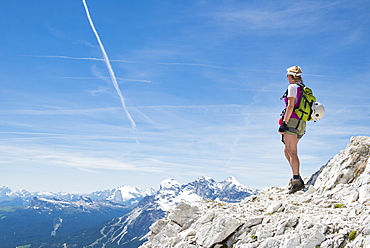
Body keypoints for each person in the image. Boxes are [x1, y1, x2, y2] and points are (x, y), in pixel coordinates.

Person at [278, 66, 306, 194]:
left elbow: (290, 106)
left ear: (290, 76)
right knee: (287, 151)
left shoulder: (292, 88)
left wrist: (284, 122)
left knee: (292, 152)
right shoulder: (304, 88)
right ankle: (297, 176)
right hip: (302, 122)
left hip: (292, 121)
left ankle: (296, 180)